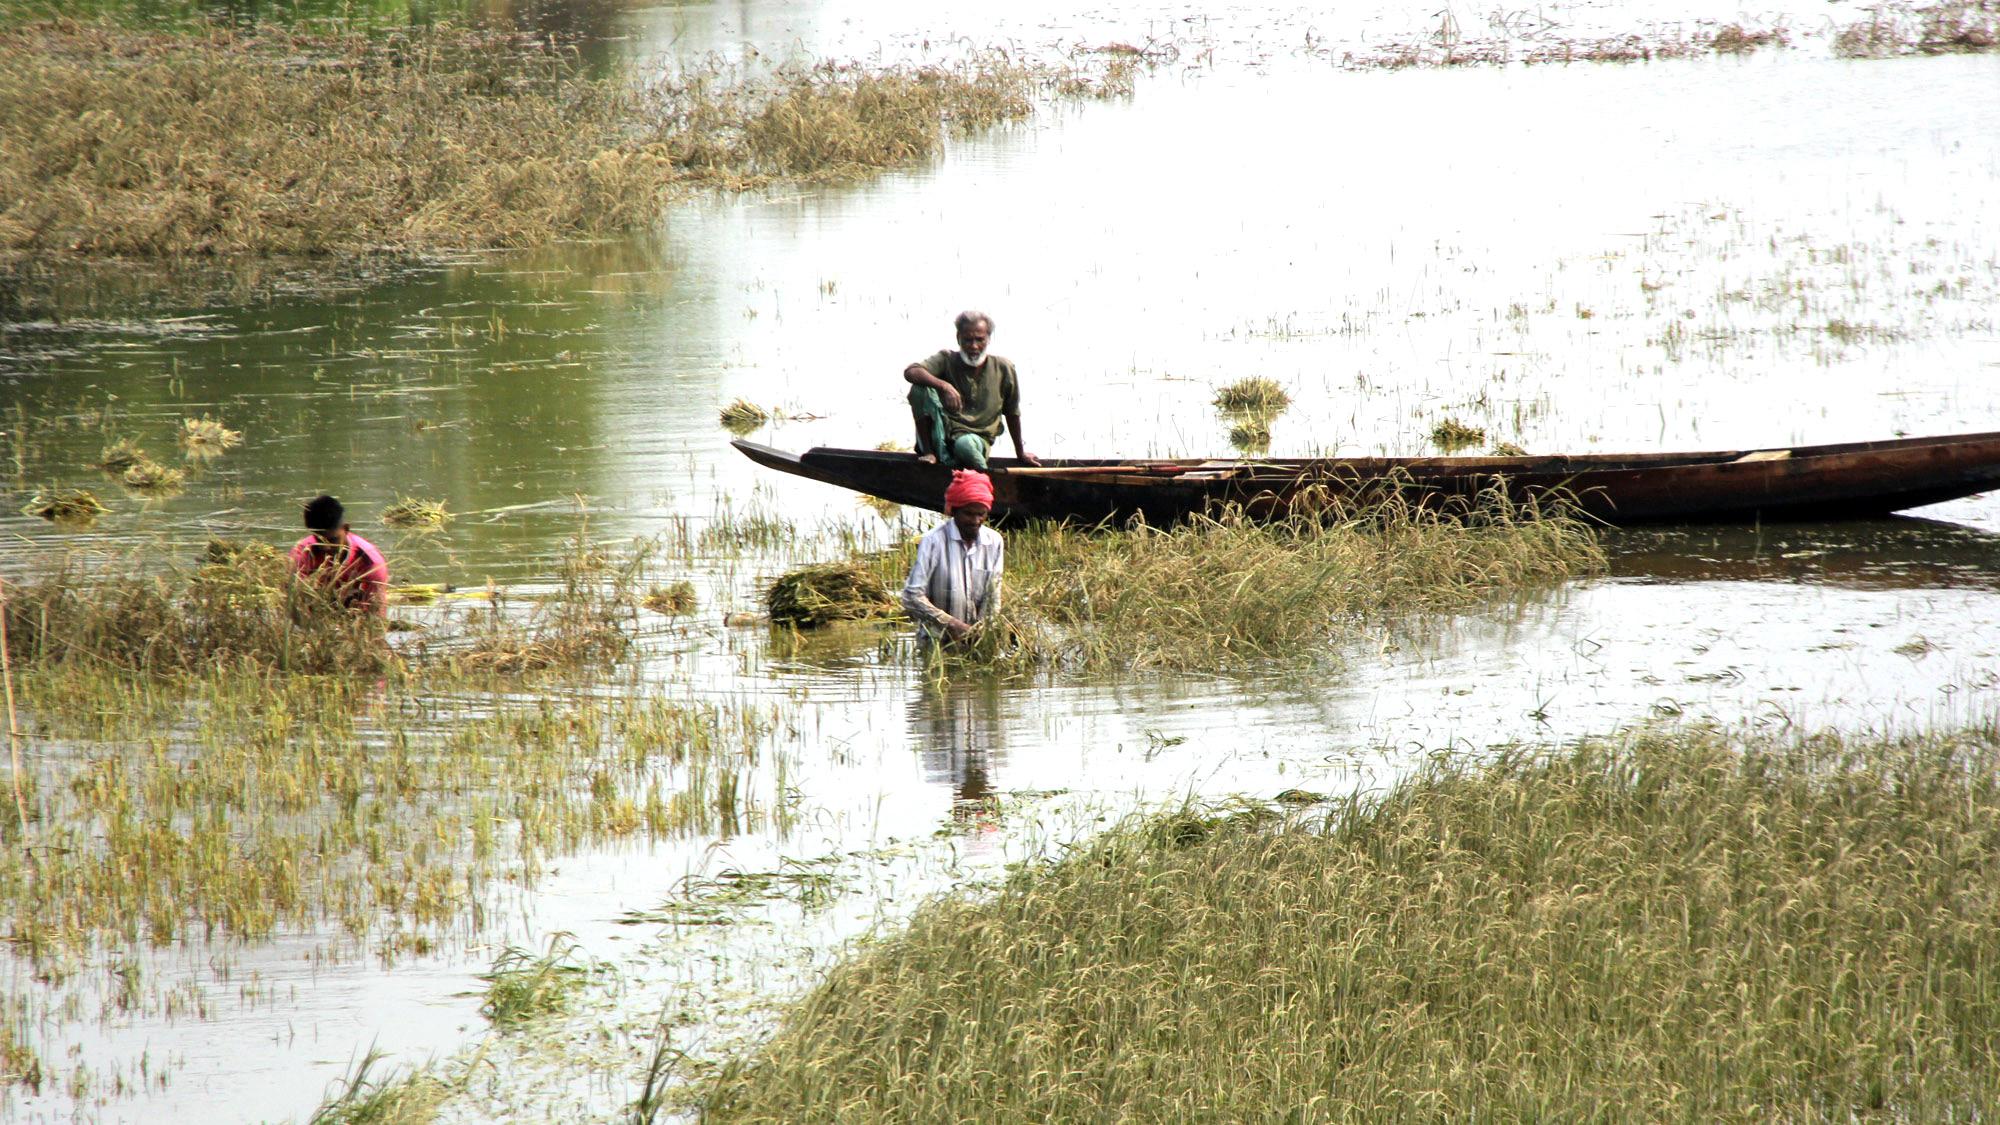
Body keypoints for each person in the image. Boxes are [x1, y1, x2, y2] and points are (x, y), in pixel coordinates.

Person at [904, 310, 1041, 470]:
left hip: (975, 441)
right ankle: (928, 453)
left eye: (980, 339)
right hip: (942, 439)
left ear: (988, 339)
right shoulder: (946, 359)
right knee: (919, 389)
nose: (974, 346)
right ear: (958, 338)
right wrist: (944, 386)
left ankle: (985, 480)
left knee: (965, 445)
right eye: (967, 340)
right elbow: (911, 371)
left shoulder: (1003, 368)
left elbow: (1012, 412)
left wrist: (1020, 452)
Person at [902, 470, 1003, 651]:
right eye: (969, 514)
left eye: (981, 514)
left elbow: (993, 596)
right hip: (936, 646)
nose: (975, 521)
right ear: (953, 511)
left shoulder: (994, 542)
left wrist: (982, 633)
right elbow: (911, 596)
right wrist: (951, 624)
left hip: (975, 645)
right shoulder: (933, 541)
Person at [289, 494, 389, 614]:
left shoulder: (370, 564)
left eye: (332, 540)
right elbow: (292, 606)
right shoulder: (302, 554)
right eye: (319, 540)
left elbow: (376, 619)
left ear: (346, 529)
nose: (326, 548)